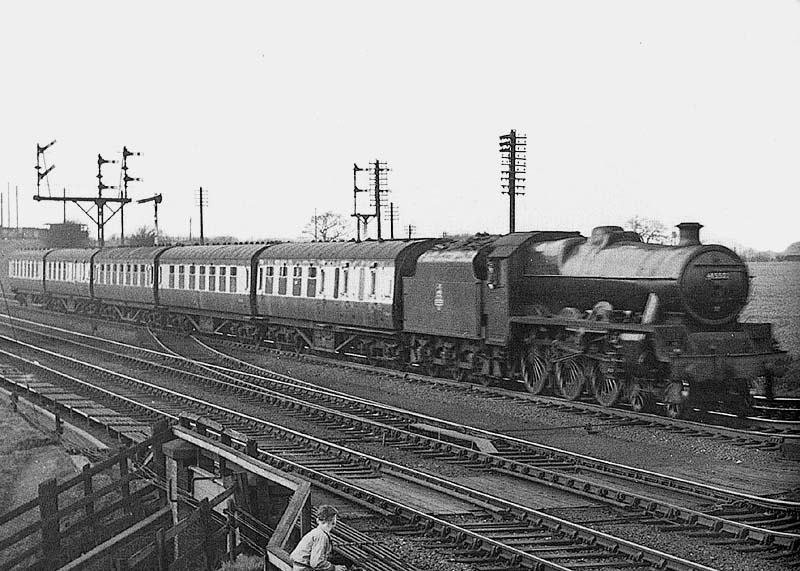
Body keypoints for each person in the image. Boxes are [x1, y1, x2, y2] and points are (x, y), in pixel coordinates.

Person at [290, 505, 347, 571]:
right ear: (333, 521)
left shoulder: (317, 531)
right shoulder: (322, 536)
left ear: (317, 520)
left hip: (299, 565)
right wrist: (334, 568)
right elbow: (316, 563)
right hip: (303, 569)